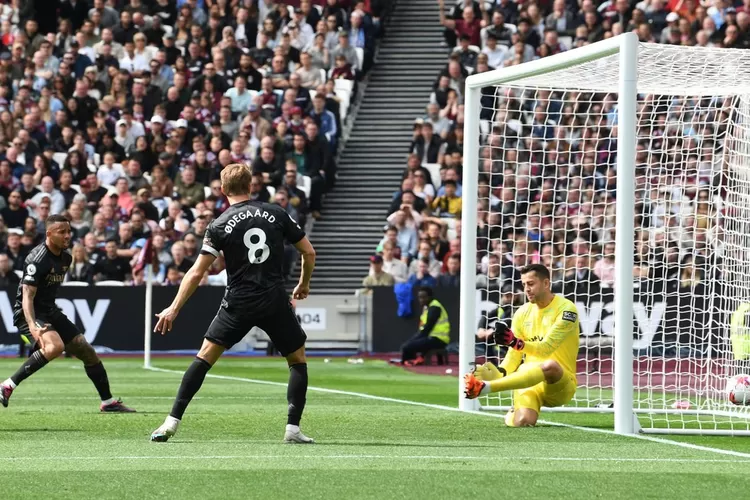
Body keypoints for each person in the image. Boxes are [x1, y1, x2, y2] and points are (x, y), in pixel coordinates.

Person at [150, 164, 316, 444]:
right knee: (297, 359)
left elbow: (197, 272)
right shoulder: (277, 213)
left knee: (204, 357)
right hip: (274, 299)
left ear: (223, 190)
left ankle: (170, 423)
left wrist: (174, 307)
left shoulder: (219, 223)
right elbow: (308, 252)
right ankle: (293, 429)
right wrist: (304, 284)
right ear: (251, 186)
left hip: (238, 301)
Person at [0, 215, 135, 413]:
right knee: (55, 347)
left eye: (69, 231)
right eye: (61, 232)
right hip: (29, 312)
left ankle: (108, 402)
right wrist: (32, 324)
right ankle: (7, 386)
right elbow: (27, 296)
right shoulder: (37, 259)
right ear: (49, 234)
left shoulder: (66, 257)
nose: (67, 236)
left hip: (50, 310)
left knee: (86, 350)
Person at [464, 264, 579, 427]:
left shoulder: (567, 309)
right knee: (523, 422)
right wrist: (501, 372)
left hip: (560, 383)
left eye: (531, 284)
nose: (526, 289)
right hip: (528, 381)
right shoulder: (521, 313)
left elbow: (546, 348)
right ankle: (512, 412)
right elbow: (514, 355)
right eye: (524, 284)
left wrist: (516, 342)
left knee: (551, 365)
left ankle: (486, 388)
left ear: (546, 283)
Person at [400, 287, 450, 366]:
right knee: (408, 345)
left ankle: (408, 362)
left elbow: (427, 328)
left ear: (430, 297)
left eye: (424, 297)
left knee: (407, 347)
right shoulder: (428, 307)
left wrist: (413, 340)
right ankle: (413, 360)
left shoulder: (435, 308)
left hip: (439, 339)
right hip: (432, 337)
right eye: (420, 297)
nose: (421, 300)